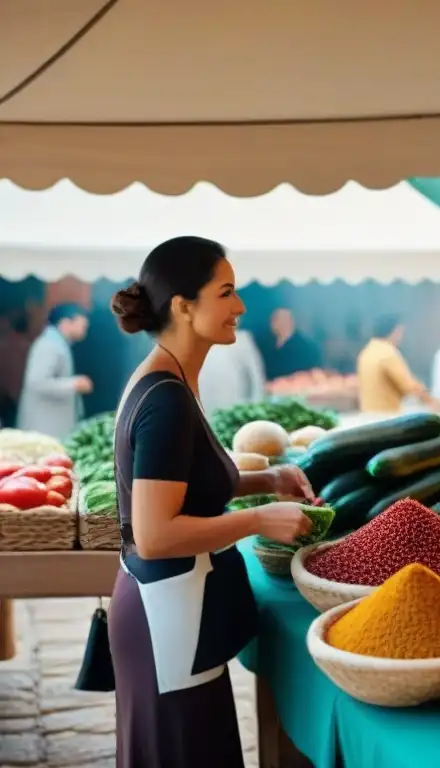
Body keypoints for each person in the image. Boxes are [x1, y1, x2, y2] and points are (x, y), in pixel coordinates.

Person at [107, 236, 314, 768]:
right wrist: (258, 520)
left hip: (171, 609)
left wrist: (267, 479)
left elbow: (185, 484)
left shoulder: (170, 376)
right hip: (166, 613)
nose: (240, 306)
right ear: (182, 305)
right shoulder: (168, 399)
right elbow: (156, 535)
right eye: (226, 292)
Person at [16, 303, 92, 439]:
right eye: (82, 326)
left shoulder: (59, 343)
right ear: (65, 323)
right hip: (43, 428)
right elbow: (37, 384)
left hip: (52, 428)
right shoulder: (48, 345)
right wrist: (74, 384)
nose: (84, 330)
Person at [356, 314, 435, 413]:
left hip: (368, 414)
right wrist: (431, 400)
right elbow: (410, 386)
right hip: (386, 417)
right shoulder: (387, 353)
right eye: (401, 332)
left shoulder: (366, 352)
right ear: (395, 331)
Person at [198, 325, 267, 413]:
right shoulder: (194, 342)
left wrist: (256, 411)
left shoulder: (241, 340)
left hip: (236, 409)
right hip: (205, 409)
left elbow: (257, 380)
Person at [264, 307, 321, 380]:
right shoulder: (268, 346)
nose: (271, 323)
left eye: (275, 319)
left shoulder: (305, 347)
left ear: (287, 321)